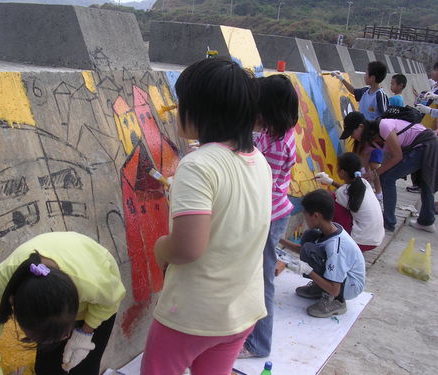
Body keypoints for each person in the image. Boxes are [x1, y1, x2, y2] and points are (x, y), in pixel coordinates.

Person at [141, 58, 272, 375]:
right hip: (241, 311)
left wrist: (160, 248)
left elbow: (188, 247)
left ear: (201, 111)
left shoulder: (198, 165)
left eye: (181, 102)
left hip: (193, 313)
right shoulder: (259, 162)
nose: (177, 110)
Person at [0, 232, 126, 375]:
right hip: (55, 307)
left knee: (83, 369)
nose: (66, 337)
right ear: (14, 303)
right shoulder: (4, 283)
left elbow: (111, 300)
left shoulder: (92, 284)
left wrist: (85, 333)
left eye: (64, 334)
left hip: (101, 297)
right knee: (47, 369)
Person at [239, 74, 298, 359]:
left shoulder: (277, 145)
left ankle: (258, 344)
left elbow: (257, 182)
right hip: (274, 212)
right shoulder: (280, 131)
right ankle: (249, 334)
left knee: (263, 281)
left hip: (268, 217)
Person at [340, 111, 438, 233]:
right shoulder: (369, 140)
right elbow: (363, 162)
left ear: (361, 126)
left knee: (387, 178)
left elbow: (397, 156)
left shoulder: (383, 127)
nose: (352, 137)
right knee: (424, 182)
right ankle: (426, 221)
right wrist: (360, 178)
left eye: (352, 133)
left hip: (426, 143)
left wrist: (375, 174)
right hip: (420, 145)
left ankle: (389, 222)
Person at [279, 189, 365, 318]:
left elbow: (335, 289)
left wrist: (308, 271)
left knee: (309, 249)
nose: (304, 218)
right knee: (309, 239)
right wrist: (279, 240)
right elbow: (302, 250)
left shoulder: (336, 247)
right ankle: (321, 287)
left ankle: (337, 301)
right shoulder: (329, 229)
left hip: (350, 286)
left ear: (316, 216)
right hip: (343, 278)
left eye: (305, 214)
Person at [332, 61, 389, 201]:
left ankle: (379, 194)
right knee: (361, 162)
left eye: (367, 73)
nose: (364, 75)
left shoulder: (380, 95)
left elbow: (385, 115)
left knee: (374, 164)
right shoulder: (365, 91)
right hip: (360, 134)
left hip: (373, 136)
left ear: (373, 78)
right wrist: (341, 79)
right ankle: (364, 188)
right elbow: (354, 92)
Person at [315, 152, 384, 251]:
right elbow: (346, 192)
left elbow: (343, 192)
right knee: (334, 197)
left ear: (342, 172)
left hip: (360, 242)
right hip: (375, 239)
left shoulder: (343, 192)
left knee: (327, 200)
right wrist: (330, 181)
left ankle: (330, 238)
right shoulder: (364, 183)